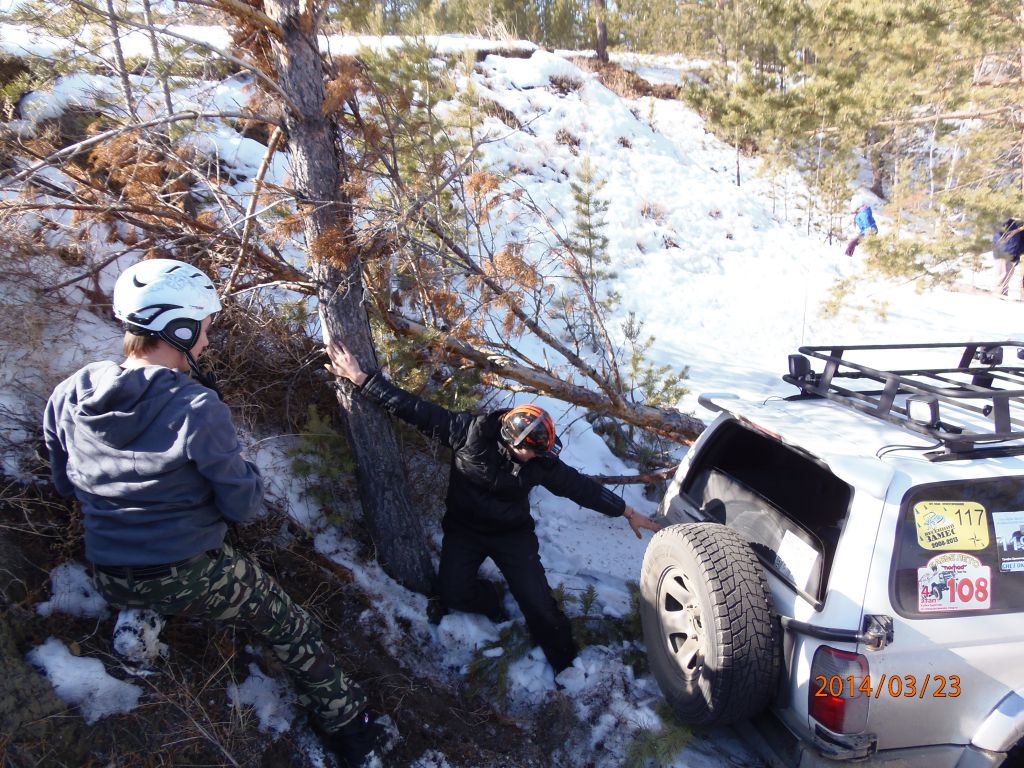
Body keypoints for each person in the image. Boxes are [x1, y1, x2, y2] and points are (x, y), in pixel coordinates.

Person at [42, 259, 391, 767]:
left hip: (108, 570)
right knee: (291, 625)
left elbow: (63, 482)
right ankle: (352, 731)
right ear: (179, 329)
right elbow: (243, 506)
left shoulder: (73, 390)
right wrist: (241, 469)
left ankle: (140, 615)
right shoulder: (196, 407)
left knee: (158, 580)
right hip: (186, 573)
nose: (207, 340)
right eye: (203, 328)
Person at [324, 340, 662, 674]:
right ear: (514, 442)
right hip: (464, 531)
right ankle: (493, 600)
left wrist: (627, 511)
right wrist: (360, 378)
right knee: (453, 593)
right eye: (536, 451)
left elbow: (580, 487)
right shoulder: (467, 433)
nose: (543, 456)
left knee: (540, 607)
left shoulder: (542, 462)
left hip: (512, 535)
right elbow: (413, 408)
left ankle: (567, 668)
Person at [993, 218, 1024, 298]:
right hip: (1003, 252)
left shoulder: (1019, 223)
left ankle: (1003, 294)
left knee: (1007, 275)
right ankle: (998, 295)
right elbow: (998, 233)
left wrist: (1019, 253)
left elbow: (1022, 240)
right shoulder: (1006, 220)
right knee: (1003, 274)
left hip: (1013, 253)